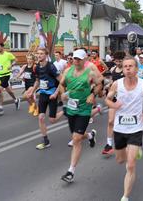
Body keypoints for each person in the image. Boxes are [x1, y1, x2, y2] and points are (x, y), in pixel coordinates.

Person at [106, 56, 143, 201]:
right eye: (125, 66)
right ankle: (131, 151)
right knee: (120, 160)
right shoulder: (117, 84)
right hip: (119, 127)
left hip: (136, 128)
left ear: (136, 69)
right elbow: (107, 99)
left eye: (130, 66)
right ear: (122, 69)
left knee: (130, 165)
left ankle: (125, 196)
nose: (127, 68)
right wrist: (113, 105)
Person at [59, 49, 100, 183]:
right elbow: (61, 84)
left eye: (78, 59)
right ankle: (90, 135)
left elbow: (100, 83)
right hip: (71, 108)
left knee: (76, 139)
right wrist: (63, 94)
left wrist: (92, 94)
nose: (76, 61)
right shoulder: (67, 71)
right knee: (76, 136)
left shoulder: (90, 72)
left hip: (84, 109)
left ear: (84, 60)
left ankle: (71, 171)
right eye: (74, 58)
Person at [27, 48, 61, 150]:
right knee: (41, 117)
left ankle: (65, 110)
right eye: (38, 53)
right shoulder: (36, 67)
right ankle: (45, 140)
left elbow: (62, 80)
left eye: (41, 54)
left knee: (52, 120)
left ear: (46, 55)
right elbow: (38, 80)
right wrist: (32, 91)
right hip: (43, 94)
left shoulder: (51, 67)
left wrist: (55, 93)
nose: (39, 55)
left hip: (52, 95)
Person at [102, 52, 125, 155]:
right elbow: (112, 82)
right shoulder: (113, 70)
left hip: (125, 100)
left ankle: (127, 141)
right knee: (111, 121)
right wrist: (107, 87)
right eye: (117, 61)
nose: (119, 63)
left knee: (123, 122)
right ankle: (109, 144)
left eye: (120, 61)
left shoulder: (127, 70)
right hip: (114, 99)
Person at [0, 43, 20, 115]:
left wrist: (11, 65)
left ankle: (0, 108)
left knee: (0, 90)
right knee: (8, 90)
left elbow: (16, 60)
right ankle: (16, 100)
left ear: (2, 48)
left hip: (7, 74)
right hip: (0, 75)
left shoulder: (8, 54)